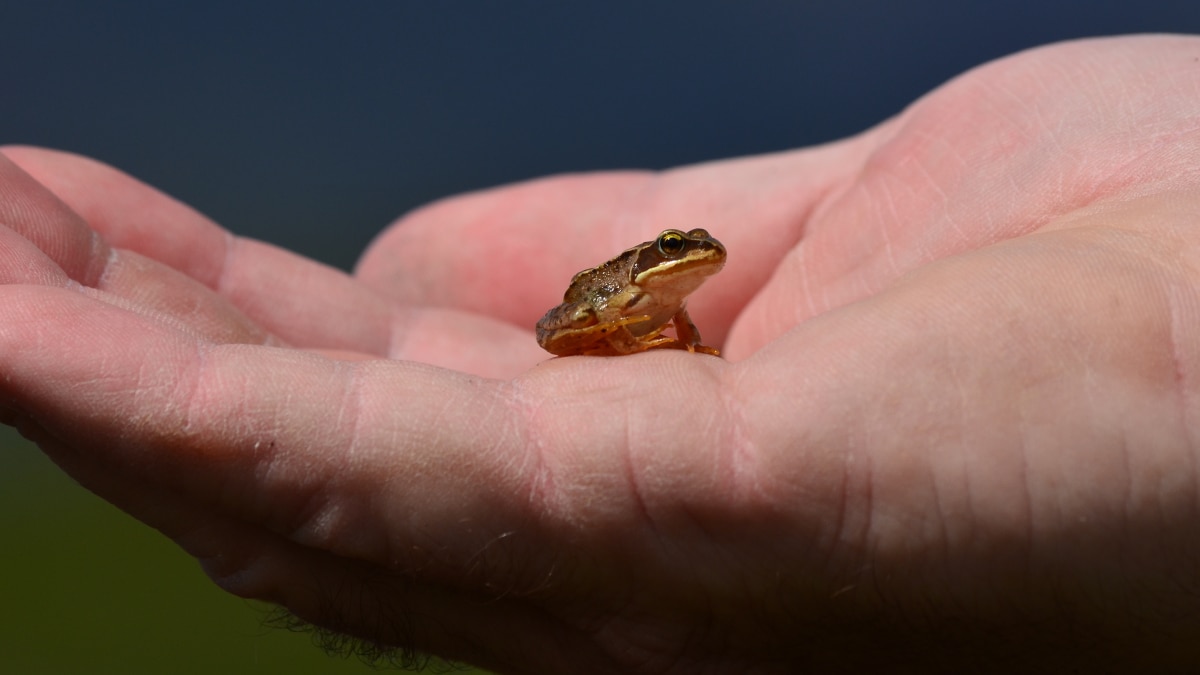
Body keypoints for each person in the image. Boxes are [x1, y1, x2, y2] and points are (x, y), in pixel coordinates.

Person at [3, 33, 1199, 673]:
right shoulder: (632, 288)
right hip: (585, 323)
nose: (692, 255)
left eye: (690, 251)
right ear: (655, 255)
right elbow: (591, 317)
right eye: (678, 248)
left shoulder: (673, 301)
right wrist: (626, 329)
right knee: (557, 325)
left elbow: (675, 321)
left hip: (632, 334)